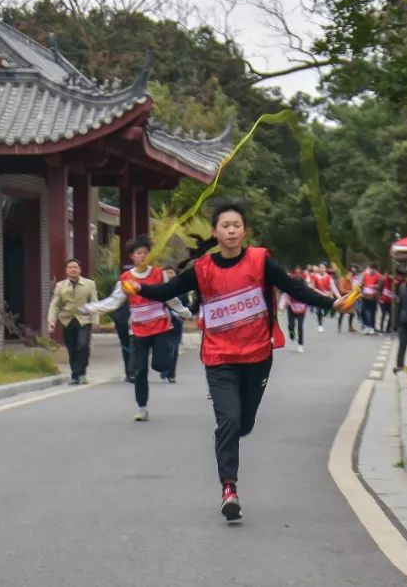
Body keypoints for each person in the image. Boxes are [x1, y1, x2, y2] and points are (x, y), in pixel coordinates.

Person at [124, 200, 354, 522]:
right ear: (215, 232)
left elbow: (294, 287)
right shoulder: (203, 269)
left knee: (244, 423)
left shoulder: (260, 261)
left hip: (258, 356)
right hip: (219, 358)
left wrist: (332, 303)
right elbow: (168, 290)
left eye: (236, 225)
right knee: (229, 420)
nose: (231, 230)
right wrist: (139, 289)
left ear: (244, 230)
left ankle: (231, 436)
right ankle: (229, 489)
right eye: (225, 226)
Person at [81, 237, 192, 421]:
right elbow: (113, 302)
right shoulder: (126, 279)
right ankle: (142, 408)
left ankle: (164, 364)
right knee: (139, 370)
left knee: (160, 365)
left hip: (161, 327)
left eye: (145, 253)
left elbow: (170, 297)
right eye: (138, 253)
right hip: (139, 331)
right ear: (132, 256)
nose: (142, 256)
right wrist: (90, 308)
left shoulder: (159, 274)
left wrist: (184, 312)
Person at [47, 258, 99, 385]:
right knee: (71, 349)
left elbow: (94, 303)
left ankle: (82, 373)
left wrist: (96, 320)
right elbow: (54, 305)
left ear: (80, 270)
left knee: (82, 346)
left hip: (84, 320)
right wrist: (51, 321)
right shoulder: (60, 286)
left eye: (75, 267)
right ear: (66, 270)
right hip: (68, 320)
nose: (73, 269)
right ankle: (75, 375)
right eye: (70, 267)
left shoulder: (89, 284)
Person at [160, 266, 189, 382]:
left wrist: (184, 314)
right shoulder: (160, 288)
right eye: (166, 272)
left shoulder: (182, 289)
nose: (169, 274)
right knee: (164, 347)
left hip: (177, 322)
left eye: (171, 272)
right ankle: (164, 369)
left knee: (174, 348)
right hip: (163, 322)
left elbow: (186, 304)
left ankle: (171, 374)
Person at [279, 272, 308, 352]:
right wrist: (281, 308)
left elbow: (313, 296)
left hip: (302, 310)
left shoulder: (305, 290)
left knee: (300, 327)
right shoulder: (289, 289)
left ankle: (300, 344)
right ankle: (292, 334)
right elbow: (284, 297)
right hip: (291, 308)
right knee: (291, 325)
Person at [310, 263, 340, 332]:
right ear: (318, 269)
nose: (322, 269)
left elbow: (333, 287)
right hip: (318, 295)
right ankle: (320, 325)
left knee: (330, 306)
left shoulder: (329, 277)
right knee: (319, 311)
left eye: (323, 268)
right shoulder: (315, 277)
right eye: (320, 268)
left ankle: (327, 312)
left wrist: (339, 296)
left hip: (327, 295)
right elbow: (312, 287)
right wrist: (321, 293)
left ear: (325, 269)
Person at [359, 263, 383, 334]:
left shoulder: (378, 275)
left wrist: (375, 286)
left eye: (372, 269)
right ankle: (366, 325)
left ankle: (371, 327)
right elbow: (361, 283)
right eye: (370, 268)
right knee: (363, 311)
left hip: (373, 297)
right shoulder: (365, 274)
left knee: (372, 312)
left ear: (375, 270)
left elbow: (380, 285)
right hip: (365, 296)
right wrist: (361, 286)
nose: (371, 270)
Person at [337, 266, 359, 333]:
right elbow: (341, 290)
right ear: (346, 275)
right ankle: (339, 328)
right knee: (341, 314)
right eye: (349, 275)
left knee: (352, 314)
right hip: (343, 299)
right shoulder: (342, 280)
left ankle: (350, 327)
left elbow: (353, 288)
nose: (350, 276)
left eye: (351, 275)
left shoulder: (351, 281)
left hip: (350, 299)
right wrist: (349, 292)